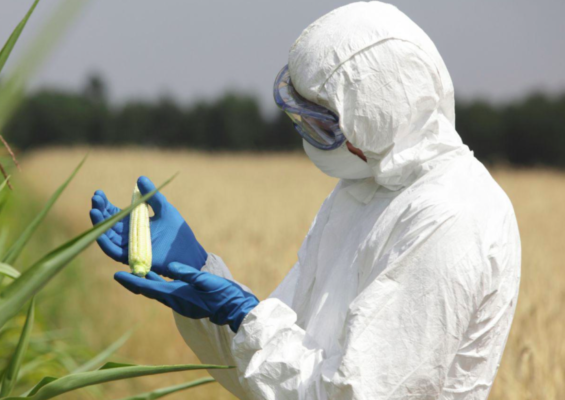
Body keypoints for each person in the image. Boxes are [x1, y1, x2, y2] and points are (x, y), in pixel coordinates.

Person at [88, 2, 521, 399]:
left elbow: (349, 393)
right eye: (300, 119)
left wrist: (242, 317)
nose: (310, 138)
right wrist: (205, 285)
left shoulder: (451, 218)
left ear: (375, 115)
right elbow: (271, 374)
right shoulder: (362, 190)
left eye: (321, 124)